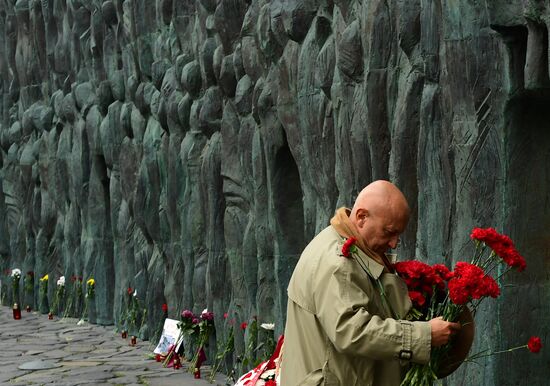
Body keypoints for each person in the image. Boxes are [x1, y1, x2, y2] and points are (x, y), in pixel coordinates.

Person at [280, 180, 461, 385]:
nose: (394, 243)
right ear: (361, 217)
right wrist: (423, 335)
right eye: (389, 232)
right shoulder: (338, 263)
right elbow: (351, 331)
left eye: (398, 235)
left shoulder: (340, 242)